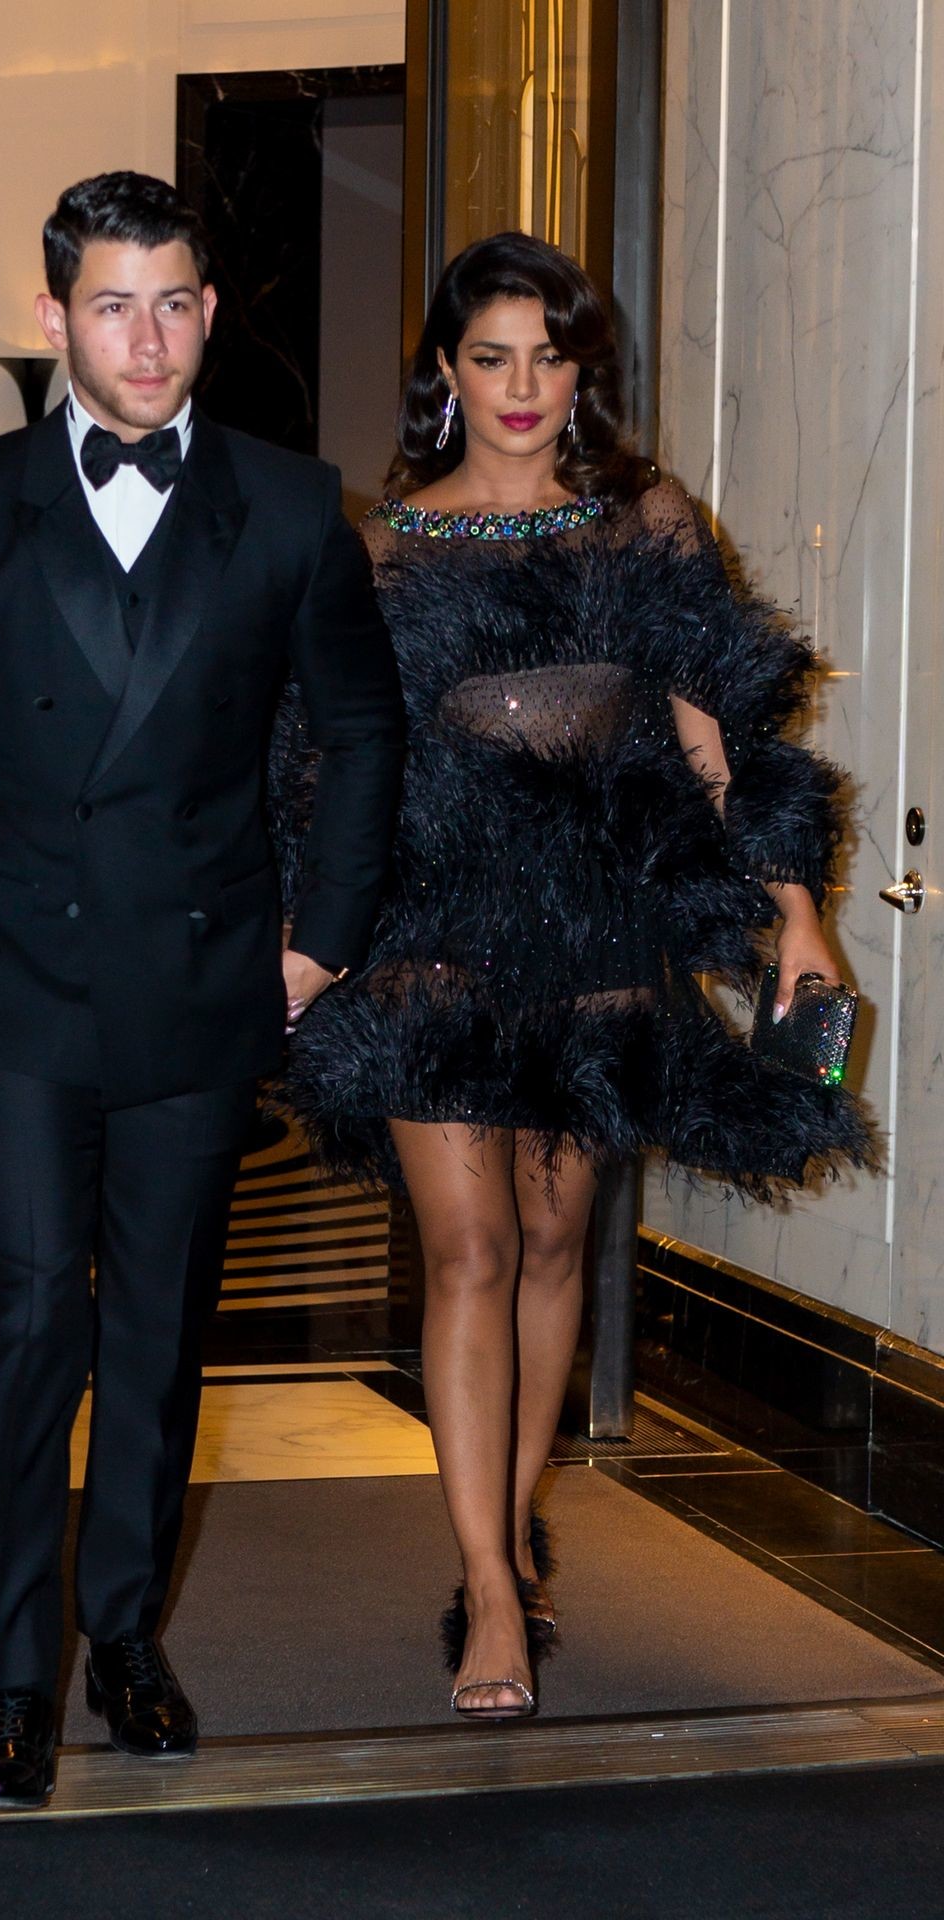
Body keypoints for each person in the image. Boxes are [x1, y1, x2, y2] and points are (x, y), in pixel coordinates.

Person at [0, 170, 404, 1803]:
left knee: (156, 1327)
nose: (146, 343)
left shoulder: (290, 504)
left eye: (173, 306)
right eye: (111, 307)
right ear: (55, 316)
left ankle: (128, 1636)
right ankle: (17, 1679)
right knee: (25, 1316)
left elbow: (365, 732)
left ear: (208, 313)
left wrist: (322, 935)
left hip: (206, 979)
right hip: (11, 977)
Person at [274, 231, 872, 1721]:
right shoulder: (380, 548)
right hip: (431, 937)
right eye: (492, 356)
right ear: (445, 372)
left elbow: (718, 736)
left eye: (549, 356)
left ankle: (517, 1524)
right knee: (469, 1251)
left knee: (551, 1246)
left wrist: (796, 916)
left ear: (581, 369)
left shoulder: (643, 523)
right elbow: (330, 762)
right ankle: (487, 1583)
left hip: (597, 935)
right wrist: (303, 938)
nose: (523, 385)